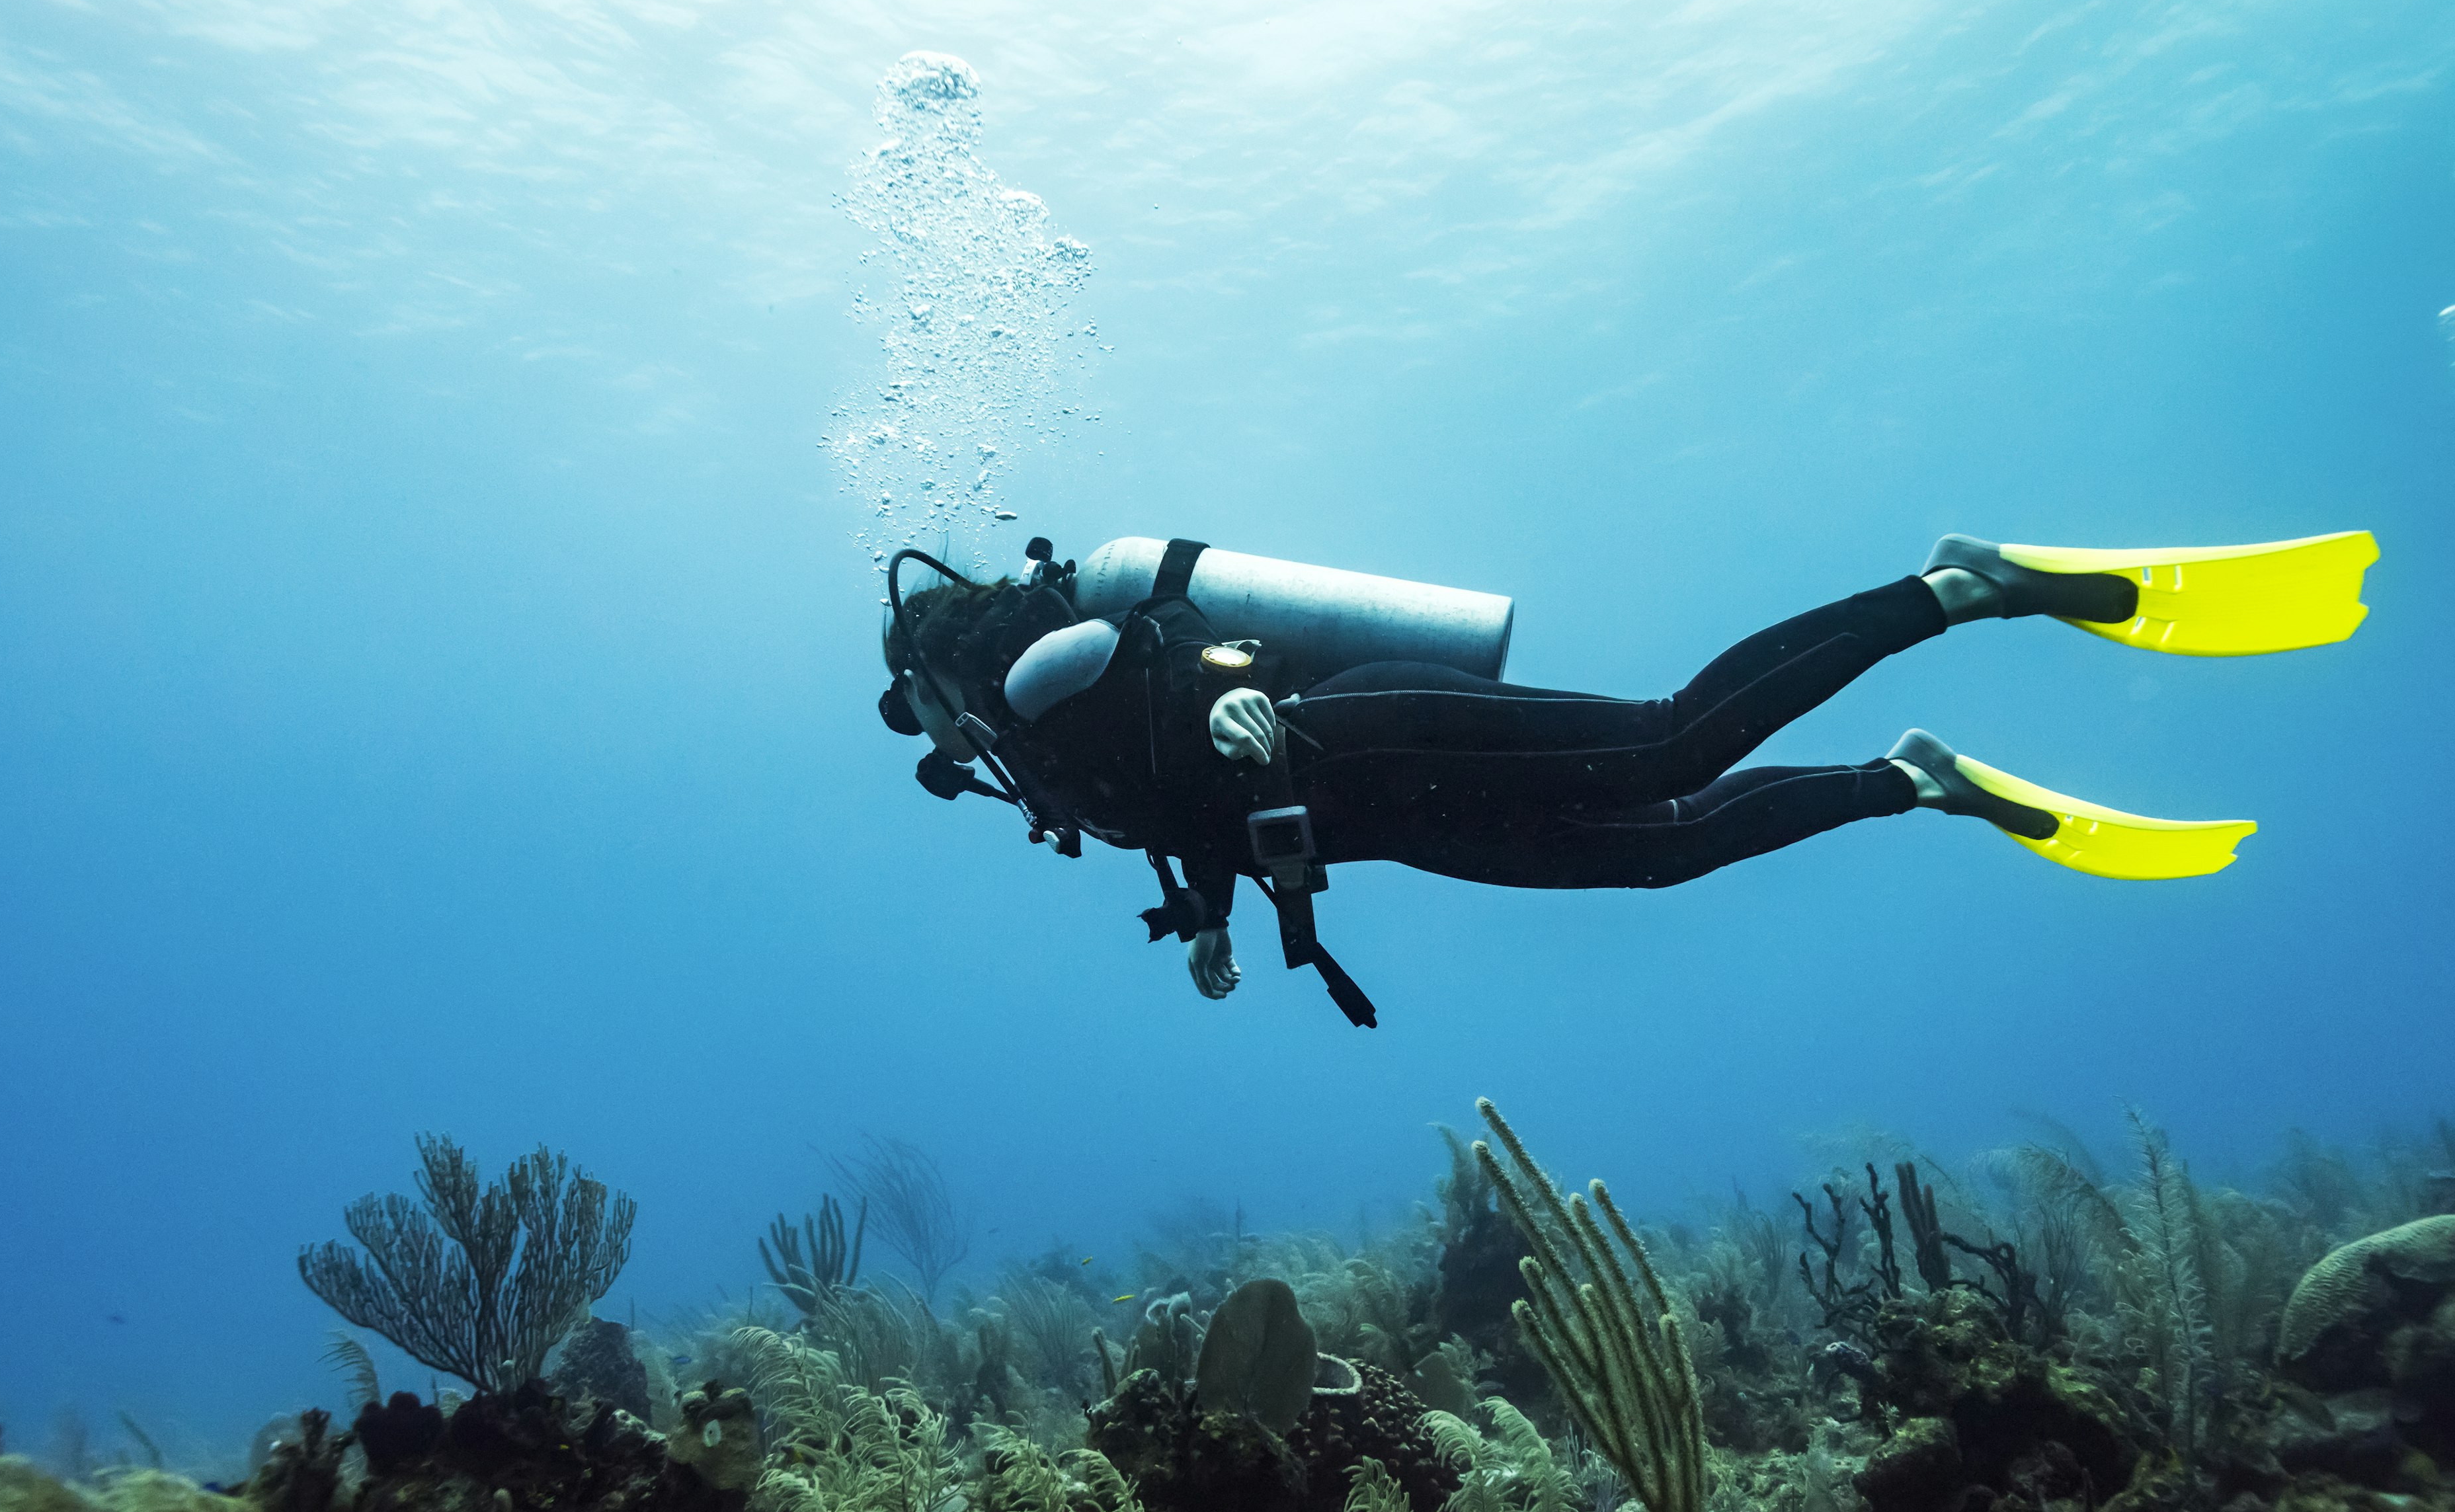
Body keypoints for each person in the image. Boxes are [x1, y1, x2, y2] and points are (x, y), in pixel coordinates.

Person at [877, 530, 2374, 1019]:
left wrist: (1230, 708)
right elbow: (1175, 805)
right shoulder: (1036, 764)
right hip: (1381, 818)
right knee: (1660, 850)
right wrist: (1207, 912)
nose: (932, 736)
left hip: (1362, 735)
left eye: (915, 706)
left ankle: (1957, 586)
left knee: (1671, 740)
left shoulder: (1031, 676)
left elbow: (1180, 651)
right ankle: (1907, 780)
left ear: (941, 671)